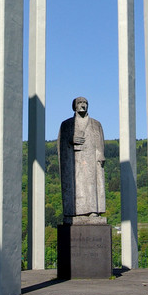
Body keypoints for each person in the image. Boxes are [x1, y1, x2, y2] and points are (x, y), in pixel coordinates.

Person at [58, 96, 105, 224]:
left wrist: (100, 154)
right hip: (73, 161)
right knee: (76, 185)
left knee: (91, 184)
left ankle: (93, 211)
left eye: (85, 103)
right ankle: (73, 213)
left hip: (90, 159)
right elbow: (61, 143)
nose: (83, 105)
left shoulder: (96, 124)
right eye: (80, 103)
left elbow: (100, 142)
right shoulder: (66, 125)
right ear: (75, 106)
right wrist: (70, 140)